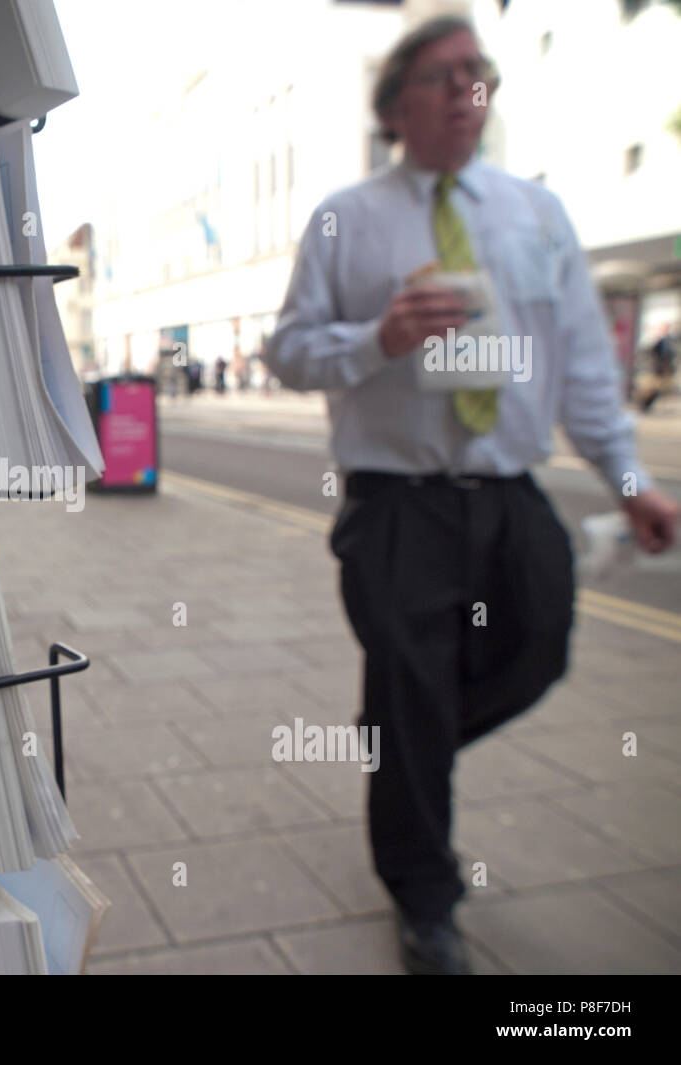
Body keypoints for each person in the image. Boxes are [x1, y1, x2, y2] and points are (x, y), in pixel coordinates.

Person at [265, 16, 677, 975]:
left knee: (536, 648)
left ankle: (400, 743)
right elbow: (288, 352)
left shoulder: (538, 213)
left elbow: (581, 369)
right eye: (444, 76)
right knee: (411, 690)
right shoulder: (345, 216)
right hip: (398, 502)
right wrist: (378, 338)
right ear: (396, 103)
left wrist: (634, 481)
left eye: (477, 75)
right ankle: (427, 898)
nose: (466, 92)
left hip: (509, 492)